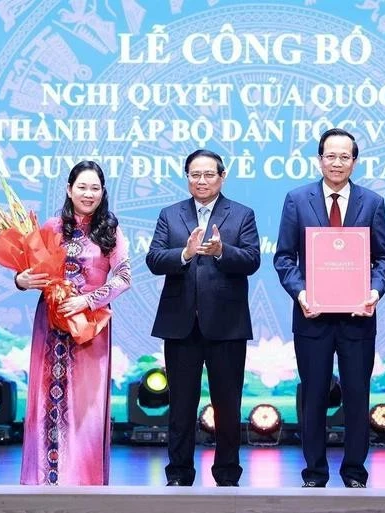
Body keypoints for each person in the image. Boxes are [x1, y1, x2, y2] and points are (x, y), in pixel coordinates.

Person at [273, 128, 385, 488]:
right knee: (313, 395)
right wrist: (302, 294)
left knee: (357, 395)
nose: (337, 162)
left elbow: (384, 259)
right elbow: (284, 258)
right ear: (319, 159)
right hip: (313, 316)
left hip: (358, 319)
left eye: (345, 156)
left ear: (354, 161)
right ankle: (314, 473)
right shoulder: (297, 199)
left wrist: (374, 291)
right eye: (330, 155)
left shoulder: (371, 202)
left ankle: (355, 472)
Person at [146, 149, 260, 487]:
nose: (202, 181)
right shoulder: (171, 214)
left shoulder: (241, 214)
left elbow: (252, 260)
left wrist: (222, 251)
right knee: (181, 407)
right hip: (181, 326)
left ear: (222, 177)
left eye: (209, 174)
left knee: (227, 405)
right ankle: (179, 473)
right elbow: (154, 258)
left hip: (227, 326)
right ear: (187, 177)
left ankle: (227, 474)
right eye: (195, 174)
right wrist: (186, 253)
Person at [15, 160, 132, 485]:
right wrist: (21, 280)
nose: (88, 193)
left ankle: (83, 479)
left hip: (90, 327)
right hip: (51, 324)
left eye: (95, 188)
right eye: (82, 186)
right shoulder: (51, 228)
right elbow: (30, 272)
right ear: (69, 189)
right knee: (46, 399)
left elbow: (124, 277)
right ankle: (46, 478)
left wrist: (88, 299)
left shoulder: (111, 230)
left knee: (86, 406)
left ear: (103, 192)